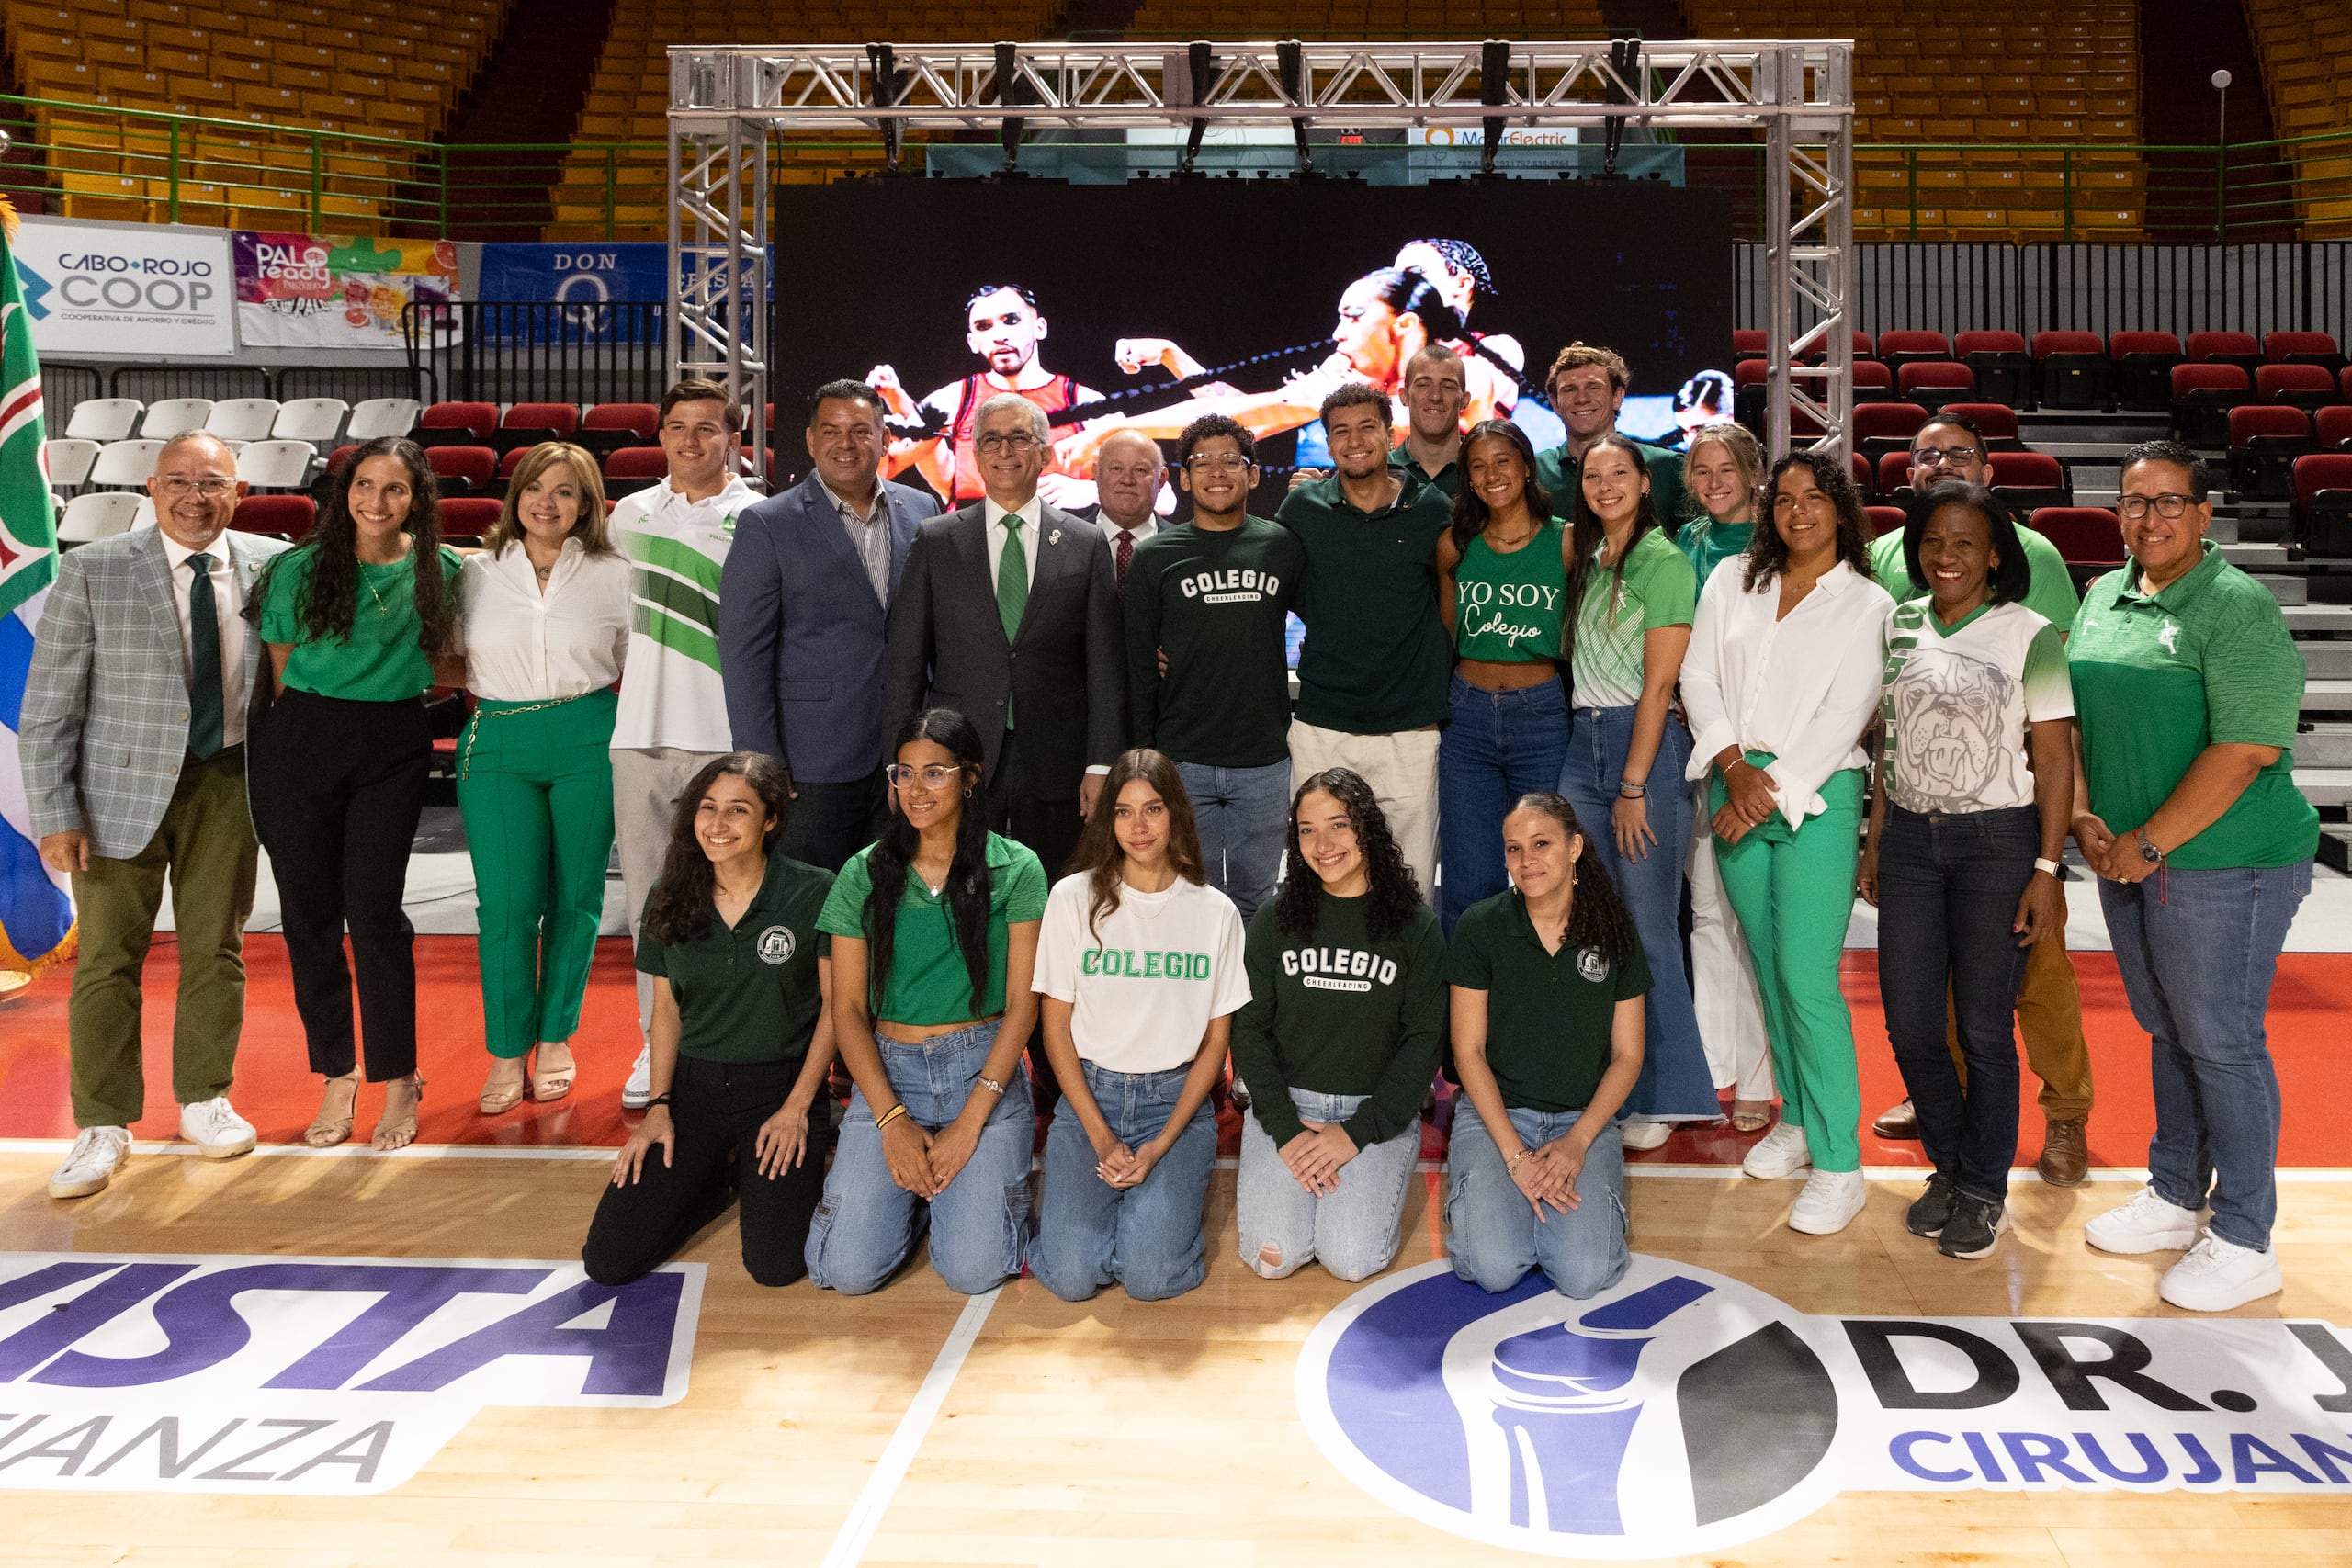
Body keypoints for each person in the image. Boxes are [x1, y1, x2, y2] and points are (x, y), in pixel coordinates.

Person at [2071, 441, 2318, 1313]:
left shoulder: (2236, 605)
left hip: (2227, 863)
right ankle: (2177, 1193)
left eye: (2170, 502)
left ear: (2205, 514)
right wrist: (2090, 819)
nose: (2151, 518)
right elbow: (2085, 719)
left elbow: (2248, 747)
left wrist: (2149, 842)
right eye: (2135, 503)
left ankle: (2247, 1237)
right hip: (2129, 852)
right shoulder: (2105, 592)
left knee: (2220, 1040)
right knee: (2167, 1029)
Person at [23, 432, 286, 1198]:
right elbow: (47, 707)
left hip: (228, 781)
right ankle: (103, 1122)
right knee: (108, 960)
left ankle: (205, 1097)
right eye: (178, 481)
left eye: (212, 483)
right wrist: (56, 810)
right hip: (114, 792)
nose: (194, 497)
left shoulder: (273, 565)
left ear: (237, 493)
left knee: (218, 948)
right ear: (149, 487)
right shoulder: (93, 569)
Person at [1864, 413, 2095, 1187]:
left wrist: (2051, 854)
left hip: (2008, 819)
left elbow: (2052, 722)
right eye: (1924, 453)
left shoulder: (2035, 570)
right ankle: (1950, 1126)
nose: (1939, 463)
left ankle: (2065, 1113)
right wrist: (1875, 836)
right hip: (1914, 825)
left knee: (2032, 978)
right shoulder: (1886, 563)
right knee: (1930, 999)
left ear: (1989, 469)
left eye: (1957, 452)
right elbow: (1887, 725)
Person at [1680, 450, 1891, 1235]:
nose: (1797, 511)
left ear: (1841, 508)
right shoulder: (1730, 580)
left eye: (1814, 497)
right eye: (1784, 499)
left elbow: (1848, 714)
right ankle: (1798, 1122)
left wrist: (1762, 792)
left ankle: (1841, 1164)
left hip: (1818, 793)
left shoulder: (1868, 603)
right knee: (1765, 965)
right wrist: (1734, 767)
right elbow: (1698, 678)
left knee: (1807, 978)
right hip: (1735, 781)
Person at [247, 435, 464, 1152]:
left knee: (374, 914)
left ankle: (398, 1075)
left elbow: (454, 656)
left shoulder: (444, 568)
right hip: (303, 739)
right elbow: (280, 671)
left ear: (417, 499)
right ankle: (337, 1071)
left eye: (394, 488)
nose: (376, 501)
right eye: (363, 485)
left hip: (391, 744)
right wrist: (302, 745)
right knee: (308, 916)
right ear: (343, 492)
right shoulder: (300, 568)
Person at [805, 709, 1048, 1294]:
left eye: (935, 773)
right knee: (847, 1271)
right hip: (890, 1072)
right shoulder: (863, 872)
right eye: (904, 773)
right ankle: (914, 1200)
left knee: (974, 1269)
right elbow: (847, 1011)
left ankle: (947, 1197)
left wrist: (970, 1122)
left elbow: (1023, 1004)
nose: (916, 789)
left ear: (970, 778)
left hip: (982, 1069)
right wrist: (890, 1120)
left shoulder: (1017, 868)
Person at [583, 752, 839, 1287]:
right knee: (607, 1262)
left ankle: (795, 1154)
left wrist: (797, 1108)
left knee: (776, 1266)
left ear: (771, 820)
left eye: (738, 810)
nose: (717, 825)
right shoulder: (669, 894)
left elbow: (837, 1011)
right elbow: (667, 1012)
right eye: (707, 808)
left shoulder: (812, 890)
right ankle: (712, 1180)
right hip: (693, 1091)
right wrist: (657, 1109)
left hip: (780, 1090)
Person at [882, 392, 1125, 888]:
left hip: (1058, 758)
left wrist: (1101, 764)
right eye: (990, 439)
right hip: (957, 759)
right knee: (960, 892)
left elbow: (1104, 665)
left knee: (1058, 892)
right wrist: (899, 763)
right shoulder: (936, 539)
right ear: (975, 453)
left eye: (1019, 438)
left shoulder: (1085, 541)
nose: (1004, 450)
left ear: (1045, 452)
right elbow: (906, 662)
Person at [1031, 750, 1248, 1302]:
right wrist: (1102, 1138)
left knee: (1150, 1279)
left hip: (1174, 1103)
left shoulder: (1215, 911)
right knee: (1073, 1278)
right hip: (1090, 1099)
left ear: (1175, 812)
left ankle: (1151, 1222)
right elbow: (1055, 1029)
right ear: (1108, 821)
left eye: (1153, 809)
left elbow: (1215, 1044)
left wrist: (1158, 1146)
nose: (1139, 826)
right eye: (1124, 812)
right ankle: (1096, 1217)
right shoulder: (1071, 898)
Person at [456, 441, 630, 1114]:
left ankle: (556, 1035)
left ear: (586, 504)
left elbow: (635, 660)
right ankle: (506, 1046)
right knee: (505, 906)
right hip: (499, 735)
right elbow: (444, 654)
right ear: (515, 496)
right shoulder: (475, 571)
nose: (546, 502)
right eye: (534, 487)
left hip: (589, 730)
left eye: (564, 491)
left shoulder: (618, 573)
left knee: (577, 898)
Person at [1555, 433, 1717, 1147]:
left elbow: (1658, 685)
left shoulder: (1663, 560)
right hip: (1580, 740)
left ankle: (1669, 1090)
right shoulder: (1591, 559)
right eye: (1593, 474)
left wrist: (1630, 783)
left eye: (1619, 472)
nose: (1605, 483)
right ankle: (1613, 1073)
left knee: (1650, 926)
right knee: (1593, 919)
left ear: (1644, 482)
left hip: (1638, 751)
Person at [611, 378, 764, 1111]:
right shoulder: (629, 515)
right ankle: (656, 1039)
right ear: (663, 435)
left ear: (733, 436)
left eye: (708, 427)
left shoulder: (760, 517)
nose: (691, 440)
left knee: (732, 900)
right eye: (678, 427)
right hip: (638, 735)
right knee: (651, 905)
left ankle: (724, 1037)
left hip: (725, 741)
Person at [1231, 768, 1444, 1281]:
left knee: (1350, 1260)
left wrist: (1356, 1133)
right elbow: (1249, 1030)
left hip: (1373, 1110)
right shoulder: (1275, 919)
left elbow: (1424, 1043)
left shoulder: (1415, 926)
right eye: (1307, 830)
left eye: (1338, 825)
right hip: (1289, 1103)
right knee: (1270, 1257)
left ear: (1366, 830)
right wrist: (1284, 1129)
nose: (1323, 844)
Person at [722, 378, 933, 874]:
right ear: (811, 440)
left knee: (892, 902)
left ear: (885, 440)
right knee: (814, 908)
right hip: (810, 760)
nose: (847, 443)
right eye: (832, 431)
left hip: (904, 756)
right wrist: (763, 762)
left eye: (861, 430)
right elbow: (742, 654)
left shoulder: (921, 510)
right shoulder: (768, 524)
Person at [1445, 794, 1650, 1299]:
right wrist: (1516, 1159)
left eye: (1541, 844)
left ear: (1575, 847)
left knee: (1583, 1277)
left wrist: (1579, 1141)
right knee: (1493, 1269)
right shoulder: (1481, 925)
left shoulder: (1613, 926)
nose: (1526, 860)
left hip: (1582, 1118)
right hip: (1498, 1116)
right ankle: (1512, 1214)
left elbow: (1628, 1055)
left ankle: (1549, 1225)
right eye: (1514, 849)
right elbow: (1467, 1052)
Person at [1275, 382, 1455, 901]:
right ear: (1329, 444)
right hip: (1322, 725)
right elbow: (1273, 591)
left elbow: (1450, 604)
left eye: (1366, 428)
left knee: (1411, 886)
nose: (1354, 441)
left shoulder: (1432, 508)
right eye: (1341, 432)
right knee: (1317, 880)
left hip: (1410, 728)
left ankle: (1407, 985)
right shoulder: (1303, 508)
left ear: (1390, 434)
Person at [1125, 416, 1305, 921]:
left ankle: (1247, 1004)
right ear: (1183, 478)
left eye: (1232, 460)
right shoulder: (1155, 556)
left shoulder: (1280, 546)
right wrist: (1144, 761)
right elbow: (1139, 668)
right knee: (1188, 900)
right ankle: (1200, 1004)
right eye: (1202, 462)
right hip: (1183, 760)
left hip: (1264, 759)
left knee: (1257, 902)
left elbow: (1332, 623)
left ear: (1252, 475)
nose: (1217, 472)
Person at [1433, 419, 1572, 934]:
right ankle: (1465, 1010)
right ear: (1467, 478)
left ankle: (1541, 1003)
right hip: (1466, 718)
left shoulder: (1566, 542)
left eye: (1503, 461)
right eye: (1478, 466)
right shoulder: (1455, 545)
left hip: (1541, 716)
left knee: (1549, 874)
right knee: (1469, 883)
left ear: (1527, 467)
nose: (1491, 475)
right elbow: (1449, 638)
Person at [1676, 424, 1774, 1131]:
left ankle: (1761, 1077)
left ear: (1752, 472)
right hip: (1691, 748)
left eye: (1727, 468)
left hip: (1755, 759)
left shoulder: (1782, 545)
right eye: (1702, 470)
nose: (1714, 481)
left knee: (1756, 923)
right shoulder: (1681, 544)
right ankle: (1715, 1068)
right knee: (1708, 916)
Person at [870, 283, 1103, 509]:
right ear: (972, 341)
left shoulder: (1084, 402)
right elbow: (883, 469)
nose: (999, 335)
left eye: (1011, 320)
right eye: (984, 326)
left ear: (1039, 327)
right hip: (974, 541)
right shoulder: (952, 401)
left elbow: (1137, 481)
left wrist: (1093, 492)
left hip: (1057, 542)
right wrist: (873, 412)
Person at [1532, 343, 1690, 530]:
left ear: (1617, 396)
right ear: (1555, 402)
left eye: (1593, 387)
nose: (1582, 398)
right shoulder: (1535, 472)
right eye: (1569, 390)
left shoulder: (1667, 467)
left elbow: (1702, 540)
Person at [1081, 429, 1167, 592]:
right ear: (1096, 473)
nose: (1127, 480)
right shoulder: (1065, 546)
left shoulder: (1186, 549)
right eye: (1116, 469)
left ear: (1162, 479)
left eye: (1140, 470)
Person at [1391, 344, 1470, 497]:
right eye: (1423, 385)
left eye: (1448, 386)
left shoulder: (1485, 471)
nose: (1435, 396)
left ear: (1464, 400)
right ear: (1403, 396)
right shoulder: (1381, 471)